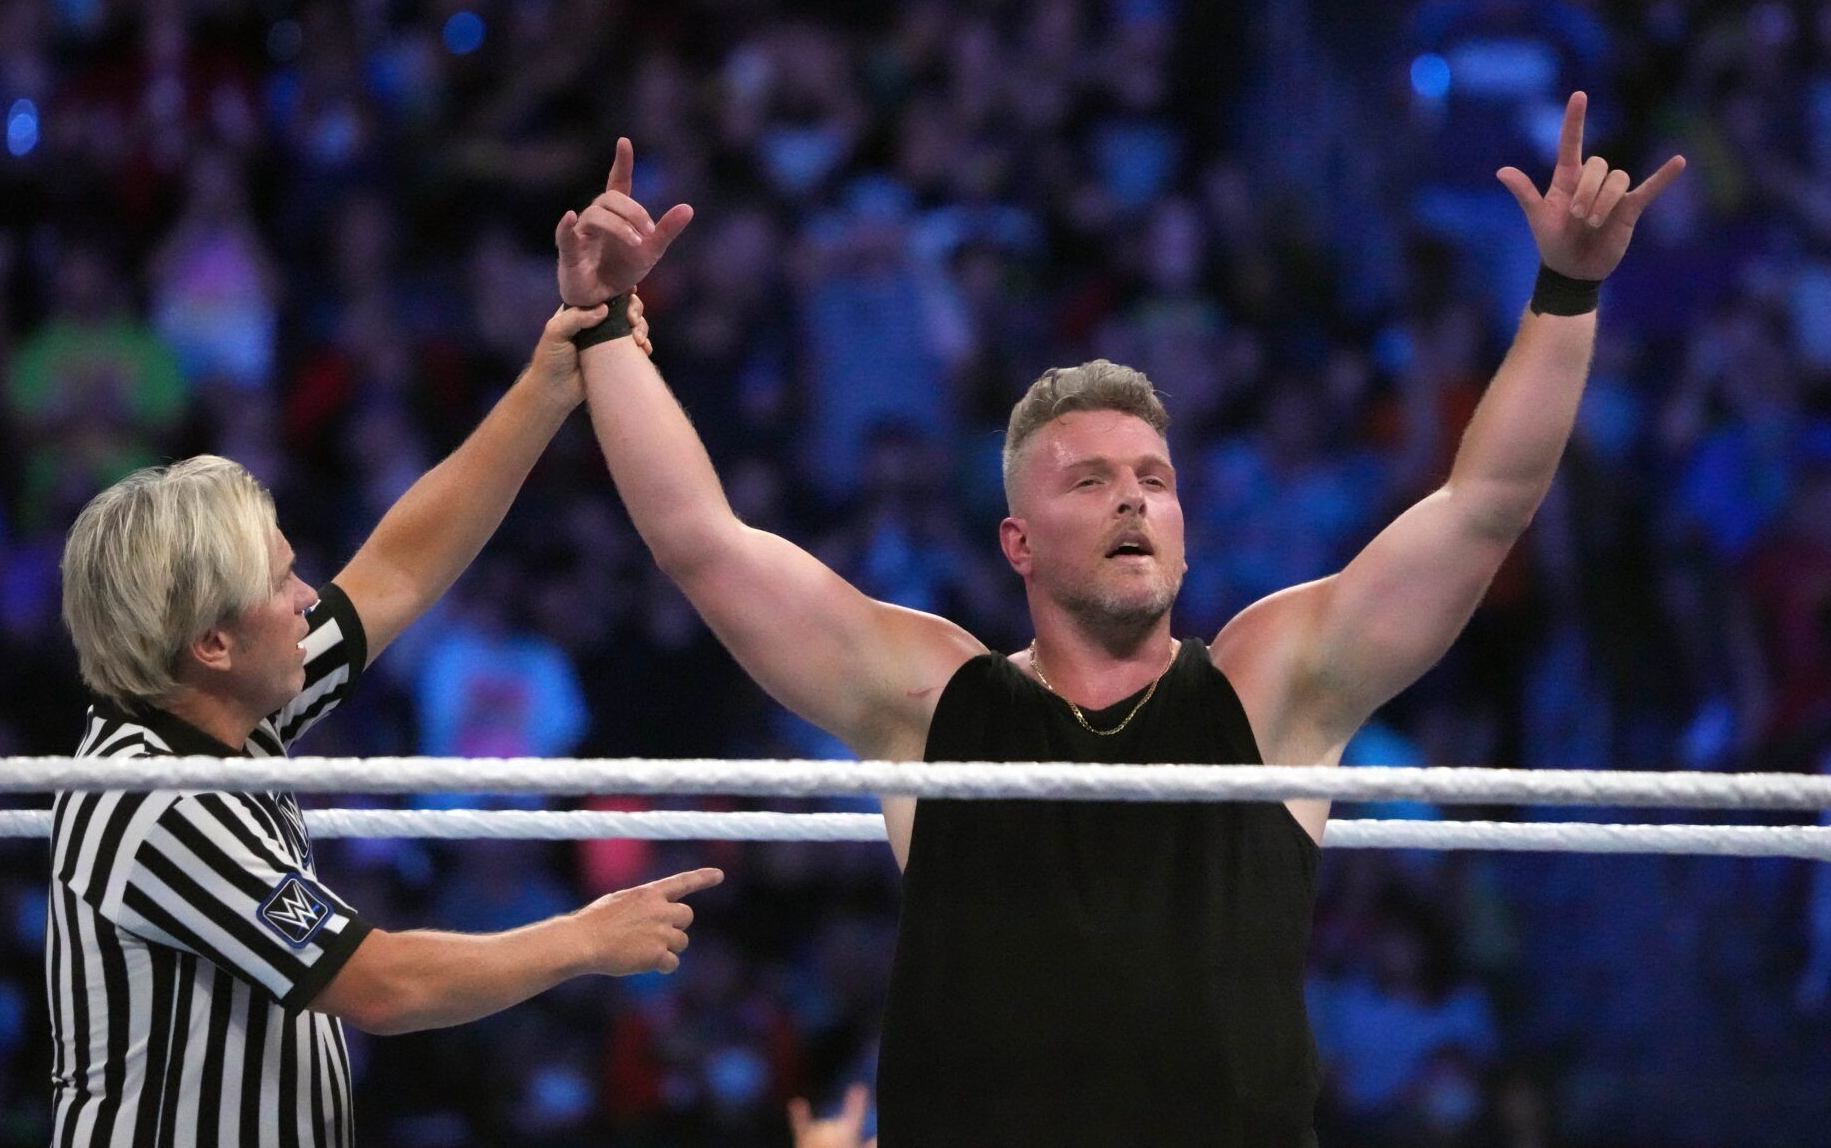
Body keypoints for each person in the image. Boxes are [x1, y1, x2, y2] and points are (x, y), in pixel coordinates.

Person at [554, 93, 1682, 1146]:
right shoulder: (932, 700)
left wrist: (1567, 293)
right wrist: (603, 322)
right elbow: (703, 541)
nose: (1135, 495)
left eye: (1153, 475)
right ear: (1019, 543)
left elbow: (1481, 508)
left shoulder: (1274, 684)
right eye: (1089, 480)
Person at [46, 298, 722, 1147]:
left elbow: (400, 567)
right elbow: (379, 985)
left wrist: (550, 381)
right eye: (283, 585)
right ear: (213, 643)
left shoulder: (222, 705)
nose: (306, 601)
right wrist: (582, 940)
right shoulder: (155, 803)